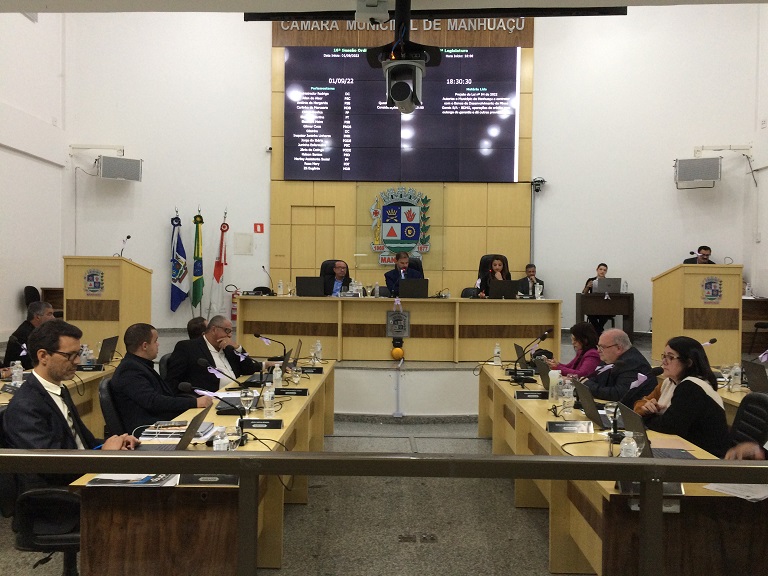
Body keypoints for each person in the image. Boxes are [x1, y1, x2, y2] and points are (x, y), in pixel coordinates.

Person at [2, 319, 139, 491]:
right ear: (43, 356)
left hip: (81, 476)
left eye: (78, 353)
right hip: (59, 493)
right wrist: (105, 455)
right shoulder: (25, 406)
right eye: (69, 355)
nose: (77, 361)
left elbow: (84, 443)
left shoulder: (59, 390)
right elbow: (52, 466)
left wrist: (116, 442)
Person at [110, 323, 212, 435]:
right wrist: (194, 402)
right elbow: (154, 401)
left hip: (161, 423)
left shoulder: (140, 365)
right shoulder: (129, 370)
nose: (158, 344)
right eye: (155, 341)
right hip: (149, 431)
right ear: (145, 346)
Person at [637, 336, 729, 458]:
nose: (664, 362)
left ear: (688, 363)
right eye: (664, 356)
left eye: (671, 357)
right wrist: (647, 409)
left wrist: (647, 417)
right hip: (684, 448)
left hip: (705, 457)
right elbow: (641, 405)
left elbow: (669, 426)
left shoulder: (692, 387)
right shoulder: (669, 383)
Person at [165, 314, 264, 393]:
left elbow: (249, 369)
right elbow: (172, 382)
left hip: (236, 393)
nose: (230, 335)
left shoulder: (228, 348)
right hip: (209, 399)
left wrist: (238, 348)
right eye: (227, 331)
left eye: (231, 332)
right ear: (214, 330)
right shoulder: (188, 347)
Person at [577, 328, 656, 408]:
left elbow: (618, 395)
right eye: (598, 346)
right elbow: (596, 379)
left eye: (602, 347)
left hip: (631, 412)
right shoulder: (610, 359)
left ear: (618, 348)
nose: (598, 351)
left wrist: (587, 385)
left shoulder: (632, 363)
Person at [3, 301, 55, 369]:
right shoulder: (24, 333)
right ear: (37, 317)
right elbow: (28, 360)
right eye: (49, 314)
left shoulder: (37, 330)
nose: (53, 318)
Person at [582, 263, 611, 335]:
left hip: (604, 305)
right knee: (590, 313)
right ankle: (600, 331)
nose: (602, 271)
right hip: (593, 305)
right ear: (597, 270)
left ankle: (597, 331)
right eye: (600, 269)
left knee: (606, 313)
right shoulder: (591, 280)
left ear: (606, 271)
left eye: (604, 270)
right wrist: (588, 286)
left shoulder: (608, 282)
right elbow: (584, 293)